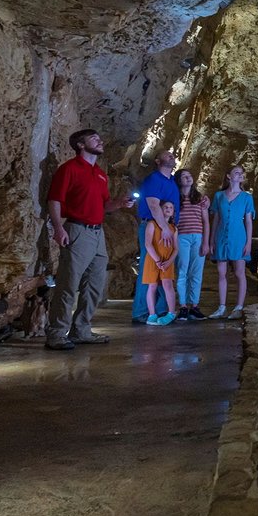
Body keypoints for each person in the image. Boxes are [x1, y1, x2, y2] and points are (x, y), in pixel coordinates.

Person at [44, 128, 135, 350]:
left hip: (97, 233)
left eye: (100, 138)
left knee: (94, 284)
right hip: (77, 230)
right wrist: (58, 228)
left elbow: (105, 206)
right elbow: (54, 199)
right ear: (81, 145)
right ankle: (57, 333)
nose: (100, 141)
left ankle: (81, 329)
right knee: (68, 283)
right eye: (94, 138)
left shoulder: (100, 174)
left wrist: (120, 204)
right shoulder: (69, 169)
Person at [131, 149, 181, 323]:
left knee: (164, 269)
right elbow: (153, 205)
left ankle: (160, 310)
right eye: (166, 155)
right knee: (149, 270)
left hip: (167, 226)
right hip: (155, 226)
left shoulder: (172, 181)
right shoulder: (154, 179)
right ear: (158, 161)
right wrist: (164, 228)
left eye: (172, 154)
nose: (171, 156)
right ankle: (141, 312)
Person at [210, 165, 254, 320]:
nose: (240, 175)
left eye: (242, 173)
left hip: (238, 237)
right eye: (237, 172)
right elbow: (216, 219)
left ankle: (238, 307)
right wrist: (211, 240)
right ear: (228, 176)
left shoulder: (247, 198)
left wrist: (248, 243)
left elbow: (248, 221)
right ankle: (221, 307)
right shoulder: (219, 196)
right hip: (221, 236)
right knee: (222, 273)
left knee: (239, 272)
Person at [173, 169, 211, 319]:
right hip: (181, 236)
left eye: (189, 176)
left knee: (196, 272)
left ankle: (194, 305)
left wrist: (206, 242)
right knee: (182, 270)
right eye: (184, 176)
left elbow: (205, 221)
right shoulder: (175, 198)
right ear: (178, 180)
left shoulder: (199, 198)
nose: (188, 178)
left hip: (198, 237)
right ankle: (183, 306)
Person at [142, 200, 179, 326]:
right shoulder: (152, 224)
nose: (168, 209)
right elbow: (148, 244)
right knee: (152, 286)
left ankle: (171, 312)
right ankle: (152, 314)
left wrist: (169, 261)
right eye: (165, 207)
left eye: (171, 207)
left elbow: (176, 248)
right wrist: (157, 260)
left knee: (168, 285)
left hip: (167, 260)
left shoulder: (174, 228)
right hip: (153, 259)